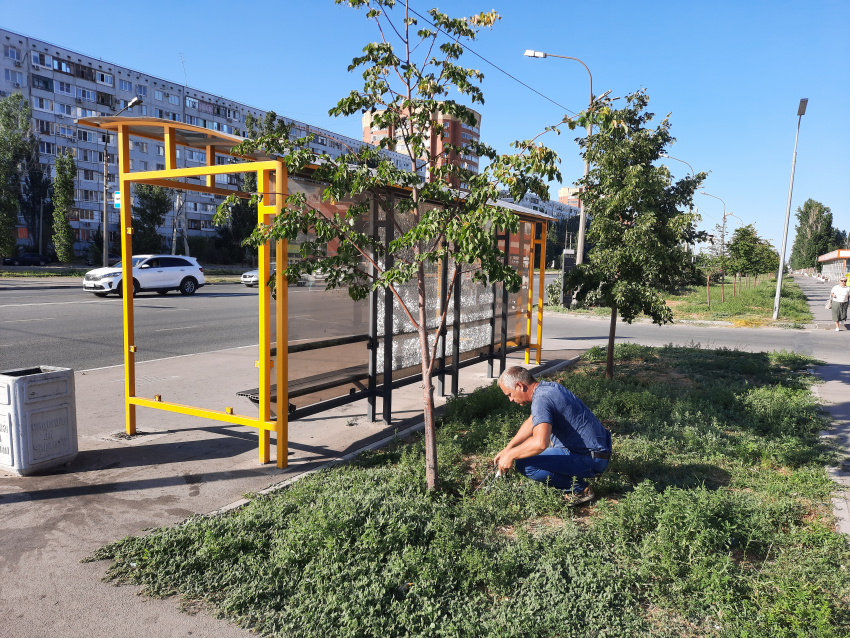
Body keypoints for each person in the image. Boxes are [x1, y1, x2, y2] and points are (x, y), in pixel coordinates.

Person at [494, 366, 612, 507]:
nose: (510, 400)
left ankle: (580, 490)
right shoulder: (548, 388)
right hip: (597, 453)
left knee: (525, 463)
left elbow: (539, 443)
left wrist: (512, 455)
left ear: (519, 385)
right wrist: (509, 448)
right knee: (532, 450)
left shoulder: (541, 398)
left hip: (591, 459)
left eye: (509, 394)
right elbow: (533, 421)